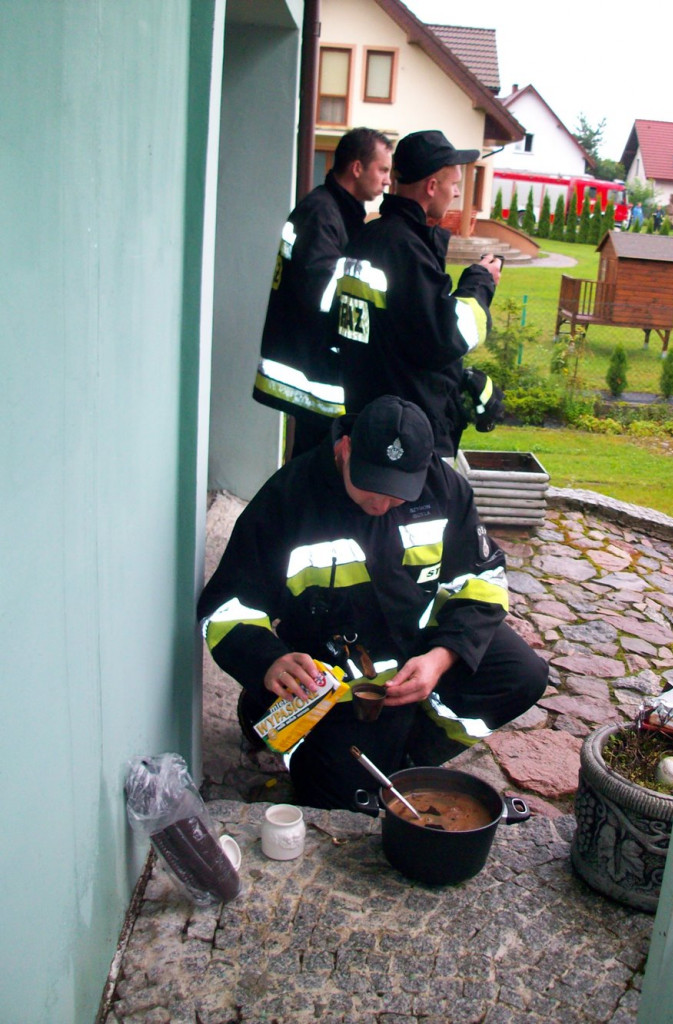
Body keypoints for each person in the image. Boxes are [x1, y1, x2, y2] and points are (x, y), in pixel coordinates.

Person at [197, 395, 549, 811]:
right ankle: (267, 716)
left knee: (523, 674)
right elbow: (226, 607)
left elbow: (481, 583)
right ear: (344, 448)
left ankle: (410, 758)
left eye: (397, 494)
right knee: (342, 799)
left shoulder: (446, 489)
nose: (381, 505)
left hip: (418, 652)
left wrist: (442, 657)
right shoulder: (288, 499)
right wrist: (268, 660)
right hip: (334, 682)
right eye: (371, 485)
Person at [332, 129, 504, 458]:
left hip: (368, 416)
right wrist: (481, 280)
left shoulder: (369, 238)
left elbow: (403, 329)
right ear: (431, 186)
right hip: (407, 432)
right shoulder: (406, 249)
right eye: (454, 184)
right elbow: (447, 334)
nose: (456, 193)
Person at [253, 127, 393, 460]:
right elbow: (321, 293)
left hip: (315, 366)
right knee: (311, 469)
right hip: (311, 372)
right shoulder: (322, 213)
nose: (387, 180)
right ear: (357, 168)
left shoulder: (339, 212)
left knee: (311, 467)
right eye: (383, 169)